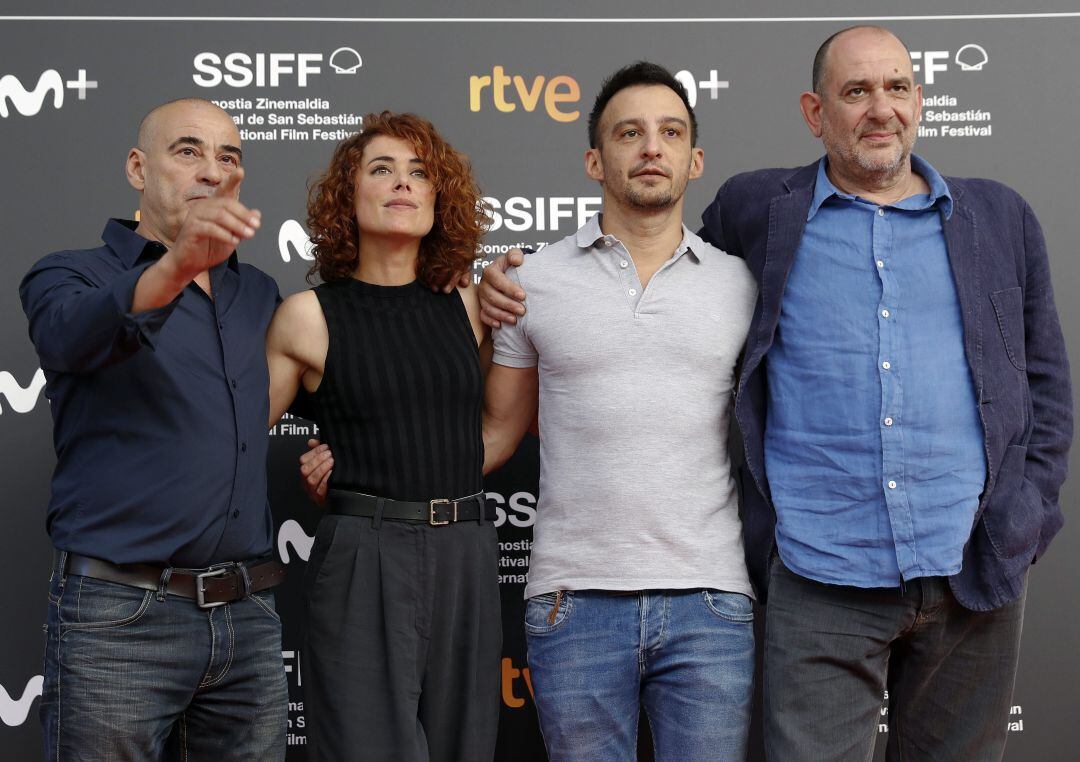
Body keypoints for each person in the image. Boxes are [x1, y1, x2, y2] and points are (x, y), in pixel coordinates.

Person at [482, 26, 1073, 762]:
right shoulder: (761, 212)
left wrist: (1023, 516)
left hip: (971, 569)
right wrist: (485, 290)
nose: (880, 108)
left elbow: (1047, 384)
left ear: (920, 100)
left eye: (896, 87)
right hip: (821, 574)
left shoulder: (999, 218)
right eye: (855, 92)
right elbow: (654, 264)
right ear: (813, 111)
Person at [478, 62, 756, 761]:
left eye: (670, 132)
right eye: (630, 133)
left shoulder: (740, 284)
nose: (651, 148)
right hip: (574, 602)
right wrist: (365, 456)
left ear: (694, 159)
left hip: (710, 600)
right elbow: (497, 435)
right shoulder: (530, 282)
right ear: (595, 160)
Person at [20, 98, 288, 760]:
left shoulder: (258, 292)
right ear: (138, 169)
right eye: (188, 150)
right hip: (119, 617)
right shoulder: (69, 272)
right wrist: (175, 266)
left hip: (247, 617)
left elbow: (328, 388)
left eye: (229, 156)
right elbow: (69, 337)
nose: (212, 168)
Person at [264, 111, 500, 762]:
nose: (403, 183)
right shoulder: (306, 318)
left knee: (468, 750)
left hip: (467, 550)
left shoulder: (475, 306)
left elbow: (500, 429)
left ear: (438, 197)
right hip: (362, 552)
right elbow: (227, 437)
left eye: (420, 173)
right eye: (383, 169)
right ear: (349, 196)